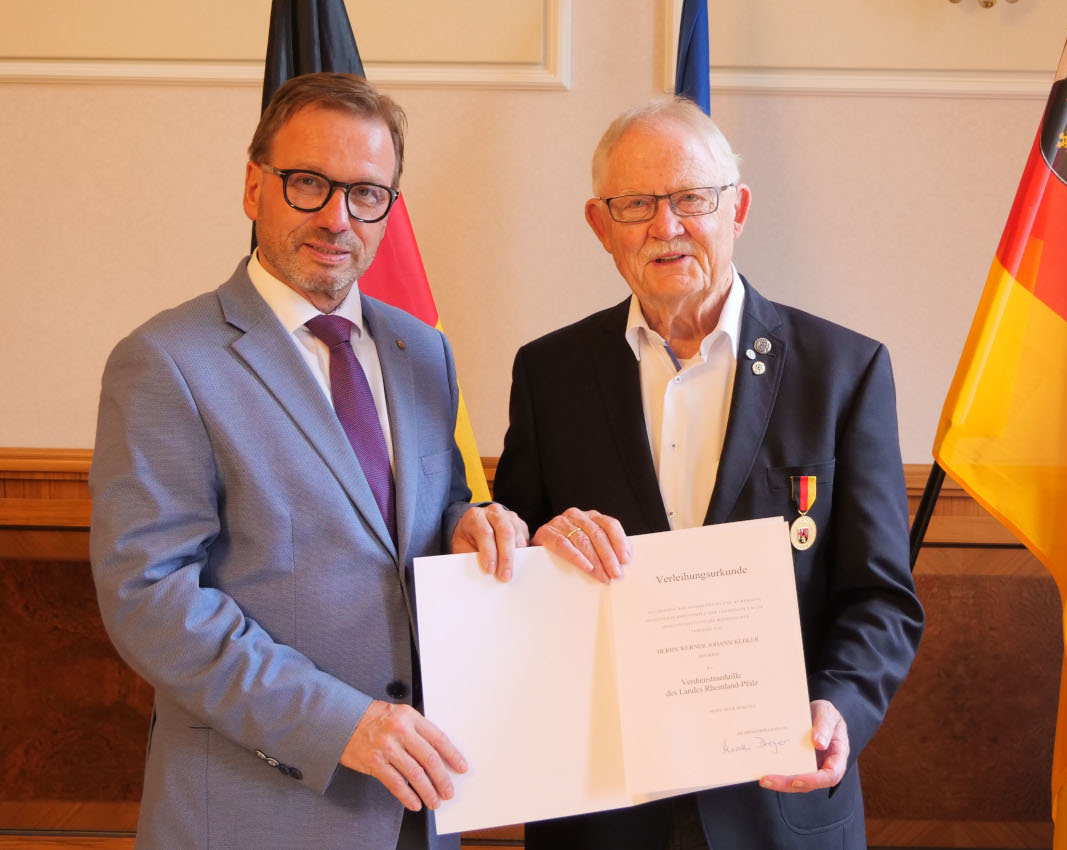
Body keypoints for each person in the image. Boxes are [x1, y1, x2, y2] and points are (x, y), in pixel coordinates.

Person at [89, 72, 528, 850]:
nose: (337, 217)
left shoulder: (420, 349)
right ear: (254, 185)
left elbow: (437, 507)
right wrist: (340, 724)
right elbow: (150, 601)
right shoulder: (166, 361)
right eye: (308, 184)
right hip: (255, 813)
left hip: (420, 811)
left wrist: (467, 526)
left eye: (366, 193)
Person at [492, 98, 924, 849]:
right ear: (601, 225)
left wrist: (838, 708)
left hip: (780, 809)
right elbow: (512, 564)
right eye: (637, 205)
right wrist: (537, 543)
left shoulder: (843, 371)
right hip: (602, 813)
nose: (667, 227)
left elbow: (880, 598)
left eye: (692, 199)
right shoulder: (550, 373)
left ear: (738, 209)